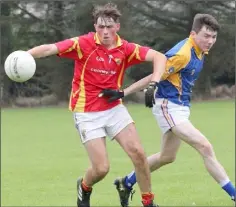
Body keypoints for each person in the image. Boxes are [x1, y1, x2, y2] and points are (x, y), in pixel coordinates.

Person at [26, 3, 167, 207]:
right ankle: (84, 187)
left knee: (138, 153)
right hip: (86, 112)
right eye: (101, 27)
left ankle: (148, 202)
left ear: (117, 26)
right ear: (95, 26)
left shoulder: (125, 48)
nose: (105, 31)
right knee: (101, 169)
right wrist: (25, 55)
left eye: (109, 27)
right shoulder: (83, 44)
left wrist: (154, 83)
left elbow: (159, 57)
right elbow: (50, 48)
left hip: (114, 108)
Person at [100, 13, 235, 206]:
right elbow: (155, 74)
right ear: (193, 34)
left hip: (180, 107)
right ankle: (233, 193)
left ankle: (126, 182)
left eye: (213, 37)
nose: (210, 41)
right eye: (206, 35)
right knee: (205, 146)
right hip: (167, 106)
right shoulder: (183, 53)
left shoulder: (200, 49)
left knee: (167, 156)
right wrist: (123, 93)